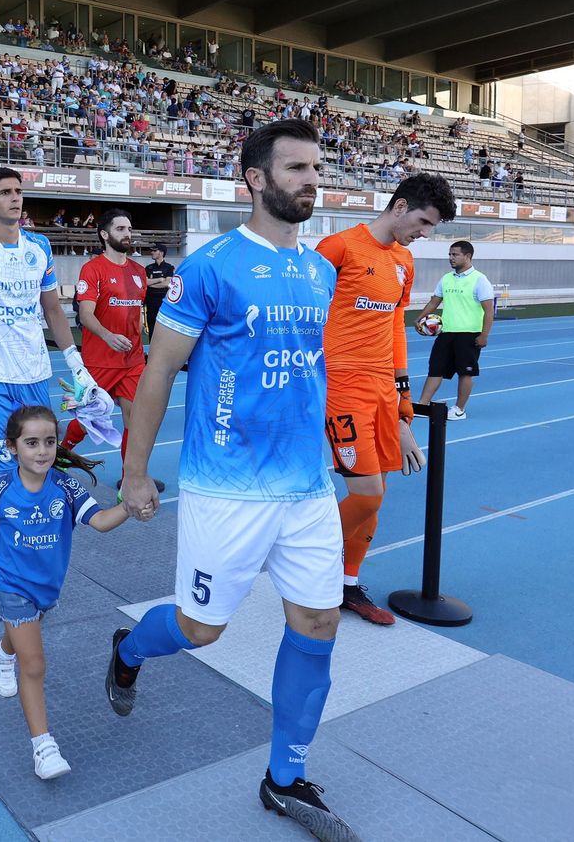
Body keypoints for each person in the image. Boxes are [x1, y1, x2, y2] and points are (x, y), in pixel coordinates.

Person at [108, 119, 363, 841]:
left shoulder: (319, 270)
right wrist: (135, 473)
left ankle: (284, 778)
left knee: (317, 625)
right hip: (226, 488)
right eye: (296, 168)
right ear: (255, 179)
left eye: (317, 167)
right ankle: (128, 650)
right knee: (200, 630)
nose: (312, 180)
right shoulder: (212, 264)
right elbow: (159, 370)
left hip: (307, 489)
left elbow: (312, 369)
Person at [0, 404, 125, 780]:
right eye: (31, 443)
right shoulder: (1, 490)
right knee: (34, 664)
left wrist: (128, 505)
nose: (43, 450)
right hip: (11, 584)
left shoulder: (65, 487)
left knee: (23, 633)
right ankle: (43, 748)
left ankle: (1, 655)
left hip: (47, 586)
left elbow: (100, 522)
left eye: (49, 441)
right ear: (12, 447)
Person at [316, 173, 454, 625]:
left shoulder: (404, 262)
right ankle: (305, 565)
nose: (426, 233)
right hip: (341, 386)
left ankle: (346, 586)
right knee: (368, 493)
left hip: (382, 390)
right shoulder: (337, 249)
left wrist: (403, 402)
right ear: (399, 207)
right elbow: (305, 316)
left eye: (432, 226)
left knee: (380, 493)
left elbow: (395, 326)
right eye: (423, 221)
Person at [0, 166, 100, 477]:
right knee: (2, 468)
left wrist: (78, 368)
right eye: (5, 192)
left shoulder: (40, 247)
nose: (15, 198)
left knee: (39, 465)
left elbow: (53, 311)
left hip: (35, 372)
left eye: (18, 191)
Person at [63, 208, 164, 495]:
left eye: (129, 228)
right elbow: (85, 314)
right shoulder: (92, 269)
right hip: (99, 361)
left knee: (137, 418)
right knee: (87, 420)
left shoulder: (138, 272)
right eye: (120, 229)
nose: (127, 233)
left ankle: (129, 480)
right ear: (105, 234)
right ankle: (62, 453)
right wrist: (108, 336)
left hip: (132, 362)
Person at [414, 240, 495, 420]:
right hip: (446, 333)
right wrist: (420, 318)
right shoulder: (446, 278)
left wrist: (484, 335)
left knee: (465, 372)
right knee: (435, 369)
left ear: (468, 256)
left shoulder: (479, 280)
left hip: (469, 335)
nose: (450, 258)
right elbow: (435, 301)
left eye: (455, 254)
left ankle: (459, 409)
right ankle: (422, 405)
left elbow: (489, 310)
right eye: (450, 254)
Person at [143, 245, 174, 340]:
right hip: (150, 301)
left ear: (160, 253)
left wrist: (151, 284)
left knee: (164, 325)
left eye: (154, 251)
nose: (152, 253)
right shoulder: (148, 268)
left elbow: (167, 284)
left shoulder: (169, 267)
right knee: (151, 325)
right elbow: (145, 282)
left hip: (163, 301)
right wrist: (160, 279)